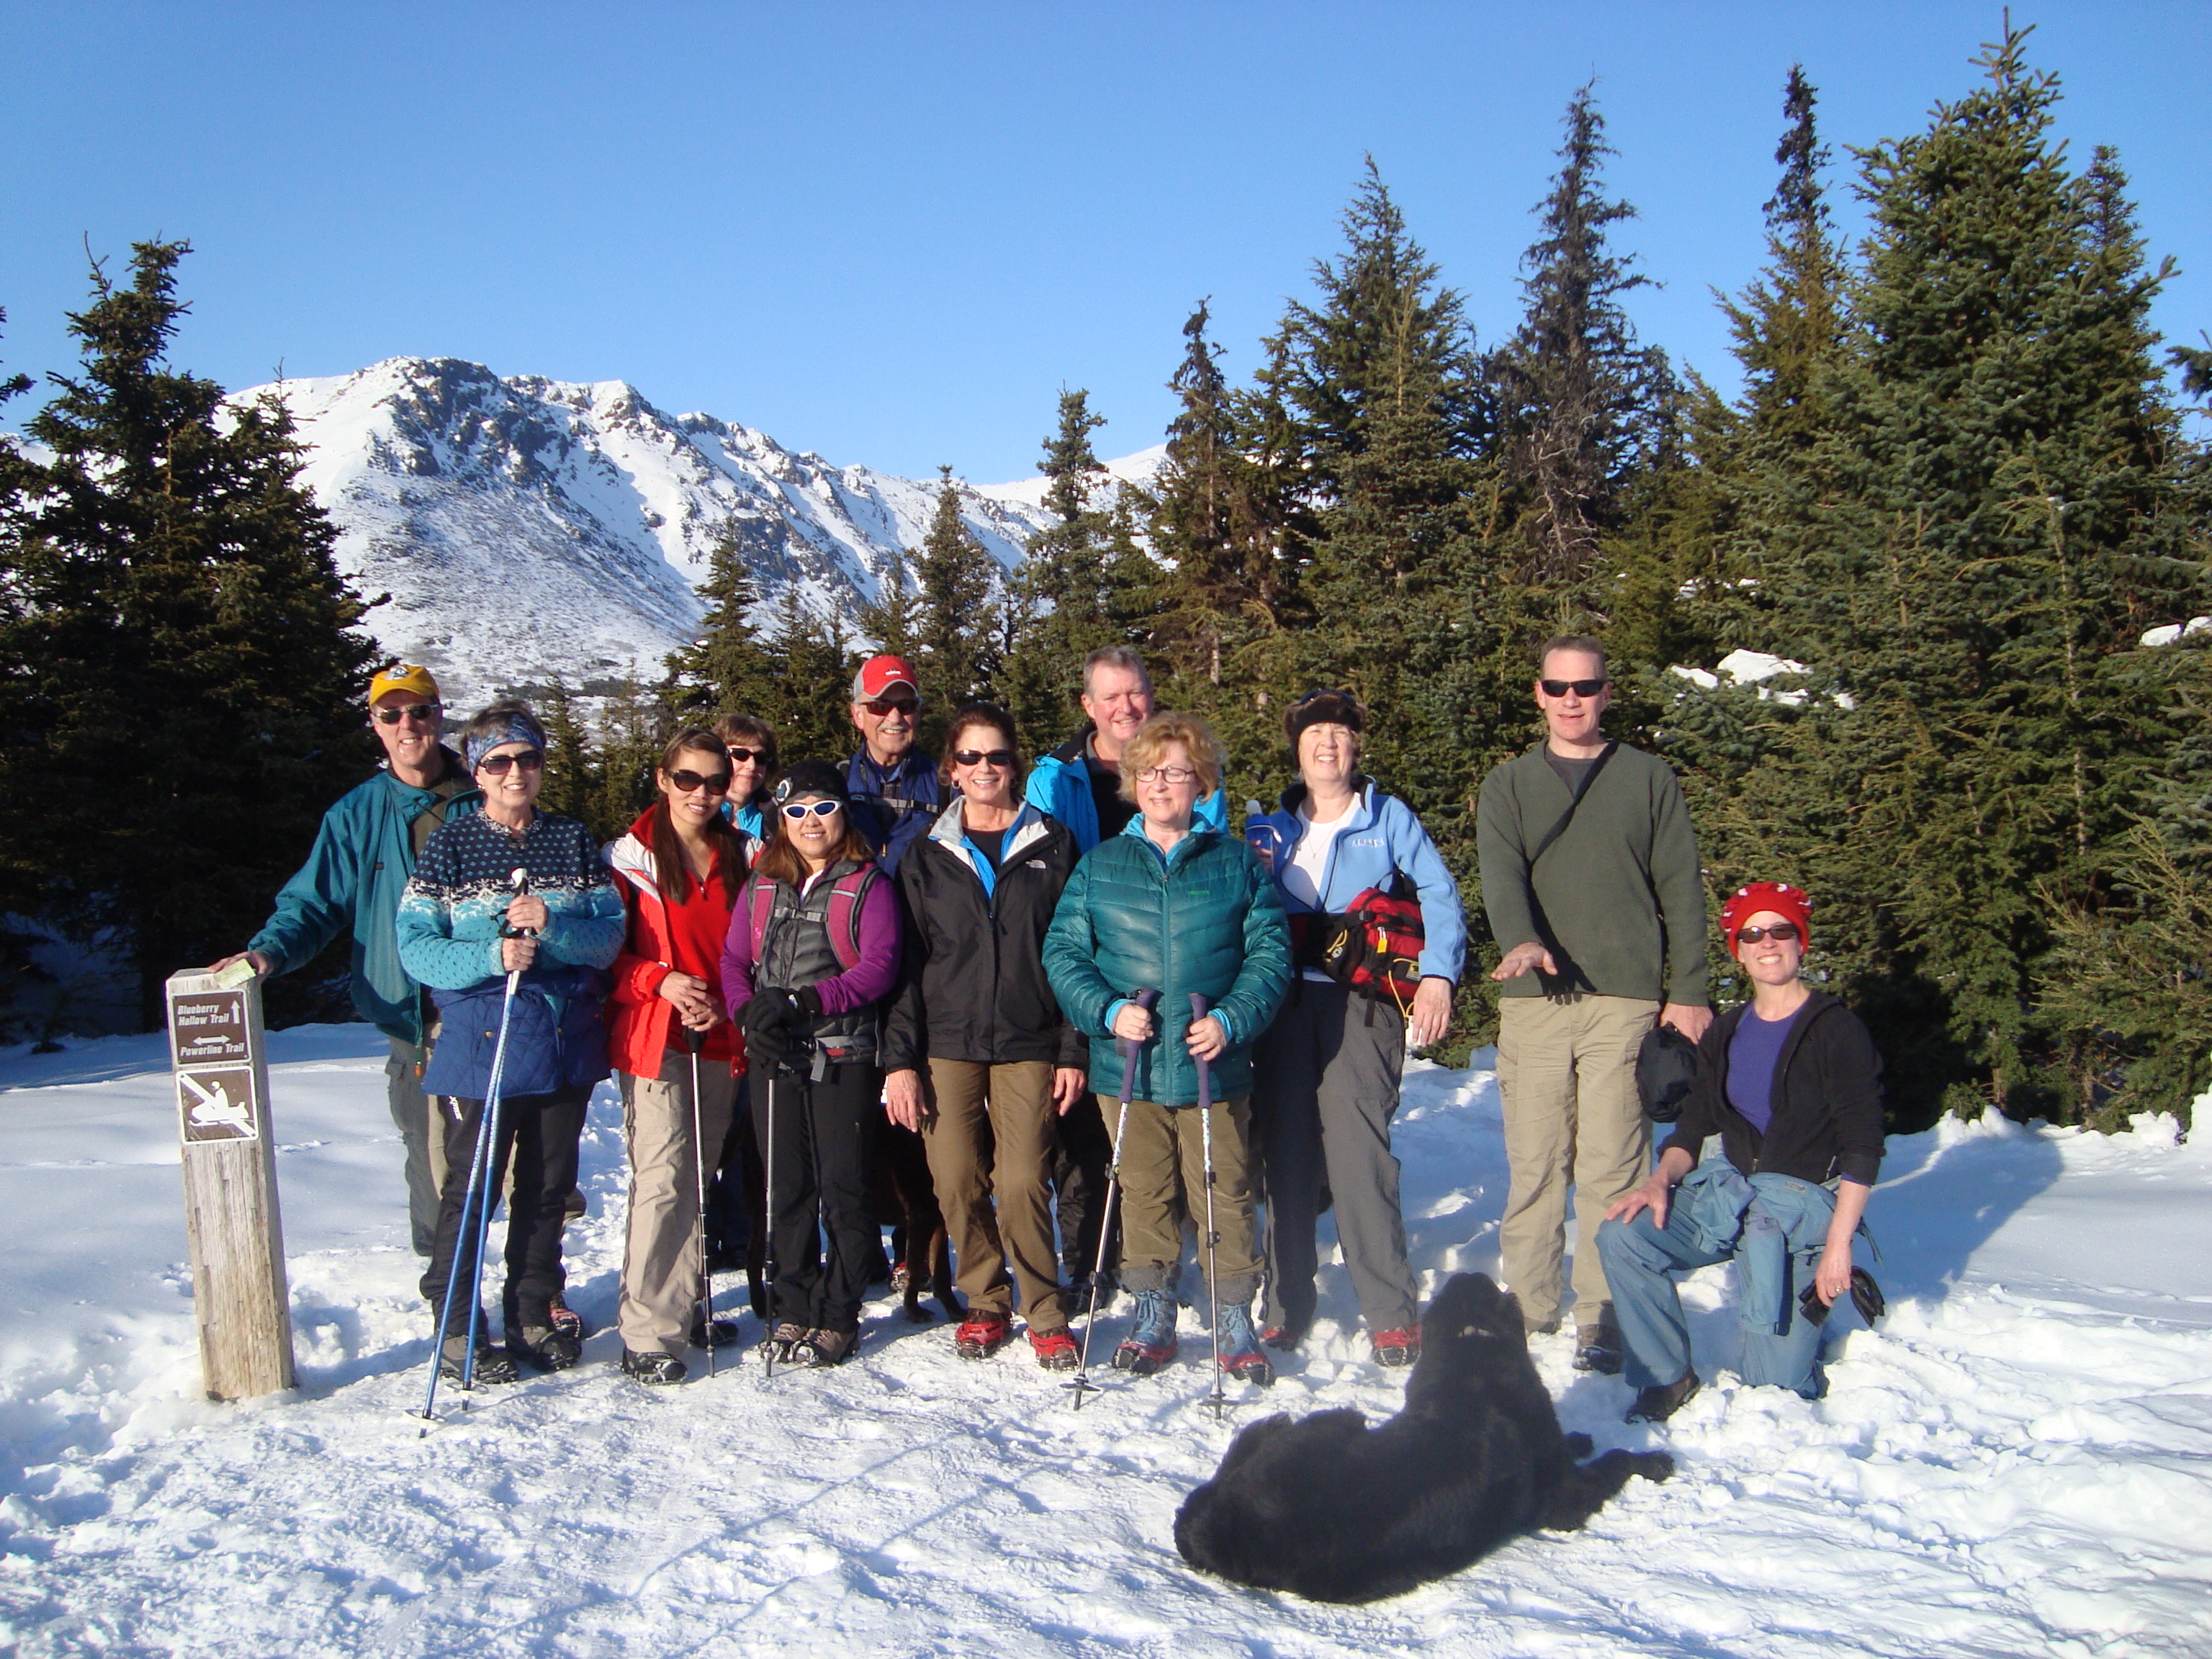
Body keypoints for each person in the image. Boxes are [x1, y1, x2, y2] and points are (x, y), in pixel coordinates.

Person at [1476, 635, 1712, 1373]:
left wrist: (1689, 990)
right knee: (1537, 1162)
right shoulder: (1508, 785)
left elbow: (1681, 886)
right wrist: (1520, 940)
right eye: (1558, 687)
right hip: (1535, 999)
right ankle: (1529, 1301)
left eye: (1585, 686)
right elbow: (1500, 874)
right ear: (1539, 694)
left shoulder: (1647, 778)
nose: (1571, 699)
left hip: (1626, 996)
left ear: (1606, 692)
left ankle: (1602, 1309)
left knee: (1613, 1162)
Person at [1043, 712, 1291, 1385]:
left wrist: (1233, 1020)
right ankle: (1152, 1312)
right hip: (1131, 1065)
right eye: (1149, 771)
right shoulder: (1101, 866)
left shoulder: (1235, 863)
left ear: (1200, 783)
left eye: (1176, 772)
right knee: (1143, 1190)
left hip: (1214, 1060)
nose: (1160, 784)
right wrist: (1107, 1010)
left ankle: (1234, 1315)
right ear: (1132, 781)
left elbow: (1270, 955)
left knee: (1224, 1190)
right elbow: (1064, 953)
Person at [212, 664, 478, 1257]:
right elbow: (315, 902)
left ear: (439, 715)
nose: (407, 725)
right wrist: (269, 951)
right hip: (415, 1015)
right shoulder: (357, 814)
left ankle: (536, 1290)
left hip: (491, 1004)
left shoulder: (487, 794)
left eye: (419, 710)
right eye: (392, 714)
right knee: (430, 1152)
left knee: (516, 1153)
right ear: (375, 724)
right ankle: (447, 1286)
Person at [1596, 881, 1883, 1421]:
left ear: (1801, 942)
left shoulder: (1836, 1030)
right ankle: (1666, 1375)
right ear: (1738, 951)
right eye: (1751, 934)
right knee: (1623, 1235)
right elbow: (1695, 1123)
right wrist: (1659, 1180)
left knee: (1774, 1386)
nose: (1766, 943)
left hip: (1797, 1210)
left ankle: (1806, 1314)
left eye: (1780, 930)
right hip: (1729, 1195)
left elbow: (1863, 1147)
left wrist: (1838, 1246)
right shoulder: (1727, 1032)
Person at [396, 702, 624, 1380]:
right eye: (498, 762)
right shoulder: (452, 846)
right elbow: (415, 946)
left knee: (548, 1188)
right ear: (477, 771)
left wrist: (553, 927)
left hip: (562, 1038)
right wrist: (490, 955)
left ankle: (531, 1308)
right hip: (484, 1040)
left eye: (527, 758)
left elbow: (609, 937)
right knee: (474, 1188)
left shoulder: (572, 840)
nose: (514, 773)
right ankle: (456, 1320)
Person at [1244, 690, 1466, 1366]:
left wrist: (1438, 975)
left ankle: (1391, 1312)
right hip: (1282, 1008)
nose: (1328, 745)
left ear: (1356, 746)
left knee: (1359, 1154)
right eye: (1315, 734)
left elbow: (1440, 892)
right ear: (1297, 747)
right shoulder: (1269, 829)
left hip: (1361, 1006)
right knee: (1285, 1158)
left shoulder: (1387, 818)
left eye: (1339, 734)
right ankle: (1285, 1306)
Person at [882, 705, 1088, 1370]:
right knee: (953, 1176)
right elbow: (907, 964)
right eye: (970, 757)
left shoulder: (1052, 844)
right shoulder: (927, 853)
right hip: (947, 1041)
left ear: (1014, 764)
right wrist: (900, 1062)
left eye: (996, 755)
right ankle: (985, 1298)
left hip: (1030, 1038)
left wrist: (1072, 1048)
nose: (984, 768)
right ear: (951, 768)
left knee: (1024, 1178)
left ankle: (1045, 1308)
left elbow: (1076, 952)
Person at [1023, 645, 1226, 1297]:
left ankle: (1171, 1256)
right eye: (1110, 696)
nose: (1125, 707)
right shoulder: (1055, 779)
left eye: (1135, 692)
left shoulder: (1187, 766)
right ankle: (1093, 1256)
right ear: (1089, 706)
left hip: (1173, 970)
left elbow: (1216, 864)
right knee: (1086, 1122)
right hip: (1089, 965)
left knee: (1171, 1119)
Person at [719, 760, 902, 1368]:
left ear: (843, 812)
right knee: (786, 1186)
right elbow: (733, 960)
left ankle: (839, 1311)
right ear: (781, 819)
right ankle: (791, 1304)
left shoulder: (867, 883)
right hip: (776, 1053)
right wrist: (748, 1015)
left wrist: (805, 1001)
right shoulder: (762, 883)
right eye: (796, 811)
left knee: (843, 1187)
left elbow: (879, 966)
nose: (810, 821)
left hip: (841, 1052)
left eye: (823, 808)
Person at [605, 729, 758, 1386]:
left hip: (719, 1034)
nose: (701, 793)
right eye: (688, 779)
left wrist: (729, 1002)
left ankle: (681, 1300)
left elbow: (759, 944)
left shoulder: (743, 855)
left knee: (698, 1175)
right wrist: (659, 981)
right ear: (664, 779)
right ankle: (648, 1333)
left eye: (715, 782)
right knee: (665, 1175)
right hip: (657, 1036)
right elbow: (601, 955)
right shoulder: (629, 859)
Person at [844, 654, 940, 874]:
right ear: (857, 715)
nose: (895, 718)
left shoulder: (946, 786)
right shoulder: (837, 783)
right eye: (880, 706)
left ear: (918, 713)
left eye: (906, 706)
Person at [716, 712, 777, 840]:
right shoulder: (699, 812)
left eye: (760, 757)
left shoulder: (778, 819)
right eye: (740, 755)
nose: (752, 765)